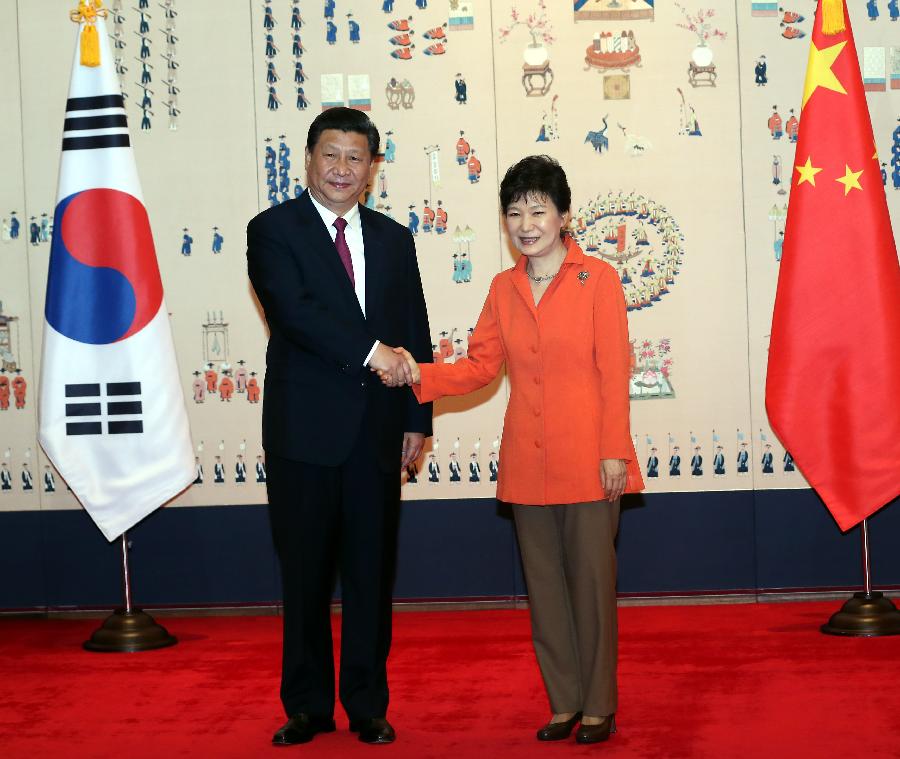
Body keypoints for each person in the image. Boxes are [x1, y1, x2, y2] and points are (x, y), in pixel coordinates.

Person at [378, 155, 643, 745]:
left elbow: (614, 373)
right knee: (545, 590)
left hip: (591, 458)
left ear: (563, 215)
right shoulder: (504, 287)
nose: (526, 224)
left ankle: (599, 704)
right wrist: (414, 371)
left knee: (593, 590)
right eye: (515, 212)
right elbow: (480, 367)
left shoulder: (597, 279)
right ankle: (565, 702)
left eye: (538, 210)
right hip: (528, 460)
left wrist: (613, 452)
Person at [246, 107, 433, 747]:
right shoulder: (273, 231)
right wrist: (369, 352)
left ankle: (367, 704)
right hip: (303, 434)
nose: (342, 169)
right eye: (332, 154)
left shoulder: (392, 239)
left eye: (357, 158)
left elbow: (413, 331)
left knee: (370, 575)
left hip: (377, 435)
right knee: (303, 575)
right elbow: (293, 312)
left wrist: (416, 415)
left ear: (373, 169)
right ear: (308, 158)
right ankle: (306, 705)